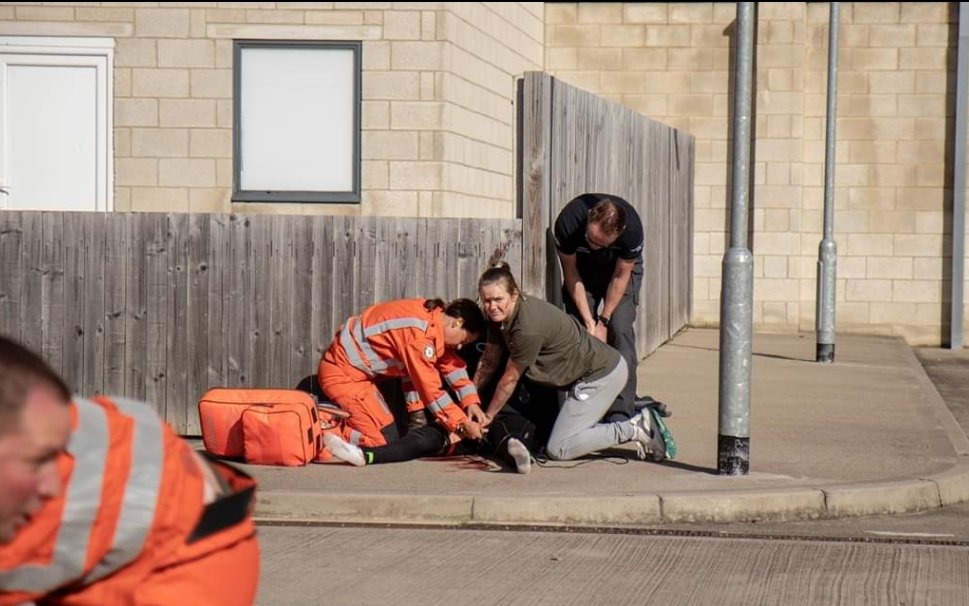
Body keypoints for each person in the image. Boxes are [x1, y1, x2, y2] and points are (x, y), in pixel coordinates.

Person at [0, 335, 260, 605]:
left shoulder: (45, 486)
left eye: (48, 458)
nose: (53, 485)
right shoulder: (33, 423)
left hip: (184, 567)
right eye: (40, 461)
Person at [474, 262, 672, 463]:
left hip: (600, 376)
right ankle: (634, 414)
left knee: (559, 447)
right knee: (566, 433)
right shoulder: (501, 317)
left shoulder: (527, 327)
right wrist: (470, 401)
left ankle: (634, 428)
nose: (492, 307)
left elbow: (509, 378)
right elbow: (489, 359)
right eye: (487, 301)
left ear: (514, 294)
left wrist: (488, 416)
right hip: (588, 375)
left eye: (498, 299)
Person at [318, 298, 488, 458]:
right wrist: (462, 423)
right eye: (464, 340)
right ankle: (324, 426)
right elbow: (430, 390)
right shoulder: (419, 336)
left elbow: (451, 365)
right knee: (380, 443)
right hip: (343, 377)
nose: (459, 346)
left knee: (389, 437)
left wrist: (471, 402)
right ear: (458, 322)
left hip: (357, 377)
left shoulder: (431, 319)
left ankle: (338, 418)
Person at [553, 193, 644, 422]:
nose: (594, 246)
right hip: (581, 270)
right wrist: (589, 322)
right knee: (578, 333)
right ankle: (582, 407)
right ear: (588, 220)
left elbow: (621, 277)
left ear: (618, 233)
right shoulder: (569, 221)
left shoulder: (632, 231)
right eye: (591, 239)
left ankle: (621, 412)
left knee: (620, 328)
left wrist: (603, 321)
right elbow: (571, 273)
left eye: (601, 243)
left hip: (619, 271)